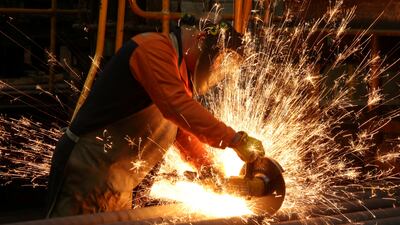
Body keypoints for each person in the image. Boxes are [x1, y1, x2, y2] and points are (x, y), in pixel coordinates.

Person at [45, 16, 265, 218]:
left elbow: (182, 131)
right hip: (86, 171)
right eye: (218, 63)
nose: (217, 71)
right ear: (201, 41)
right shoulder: (153, 49)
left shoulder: (176, 78)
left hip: (117, 184)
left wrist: (209, 170)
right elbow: (178, 108)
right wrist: (235, 139)